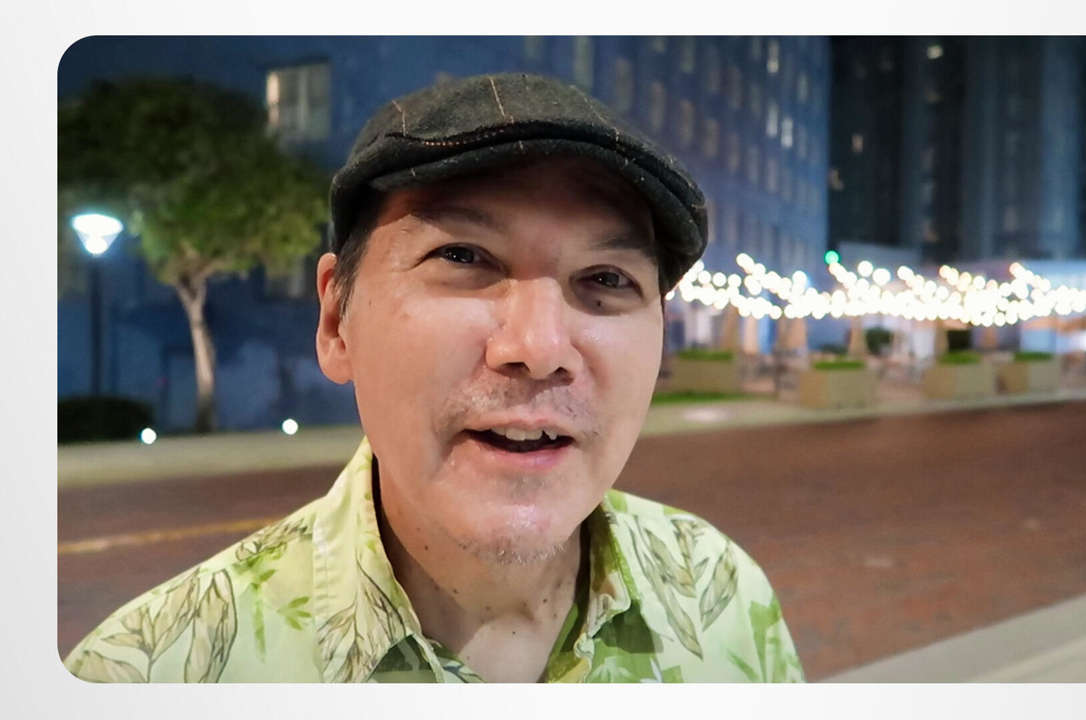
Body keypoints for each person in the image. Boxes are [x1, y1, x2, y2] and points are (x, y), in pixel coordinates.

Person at [64, 73, 805, 683]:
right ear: (336, 321)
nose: (539, 348)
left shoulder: (721, 593)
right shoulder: (155, 674)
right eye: (463, 257)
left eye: (607, 278)